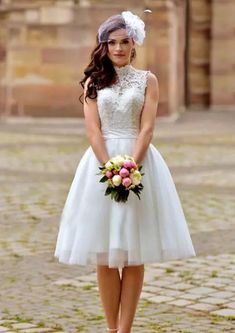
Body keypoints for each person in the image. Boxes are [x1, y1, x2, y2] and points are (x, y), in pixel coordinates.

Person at [54, 10, 196, 333]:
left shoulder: (148, 80)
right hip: (99, 165)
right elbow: (93, 131)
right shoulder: (94, 82)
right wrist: (109, 169)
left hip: (140, 161)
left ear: (134, 45)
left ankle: (126, 329)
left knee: (134, 251)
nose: (118, 48)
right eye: (112, 42)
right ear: (104, 46)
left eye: (124, 42)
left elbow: (147, 129)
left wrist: (131, 165)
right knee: (104, 253)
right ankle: (110, 328)